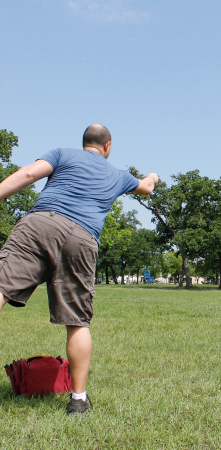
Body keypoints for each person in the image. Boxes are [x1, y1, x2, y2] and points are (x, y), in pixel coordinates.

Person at [0, 124, 158, 415]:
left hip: (40, 224)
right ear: (107, 146)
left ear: (84, 142)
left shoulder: (62, 154)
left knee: (1, 289)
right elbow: (146, 188)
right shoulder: (119, 175)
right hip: (82, 238)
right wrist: (153, 176)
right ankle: (78, 400)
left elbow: (27, 175)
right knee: (78, 322)